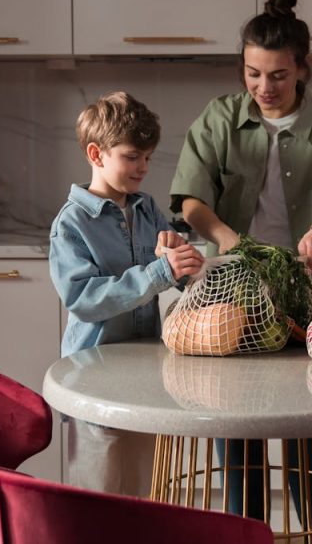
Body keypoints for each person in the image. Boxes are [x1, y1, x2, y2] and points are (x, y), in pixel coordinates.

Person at [169, 0, 312, 524]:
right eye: (252, 73)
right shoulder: (219, 118)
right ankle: (246, 535)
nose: (264, 87)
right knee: (237, 442)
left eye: (278, 76)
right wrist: (229, 240)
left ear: (303, 70)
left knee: (311, 445)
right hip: (230, 300)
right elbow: (191, 199)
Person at [49, 90, 204, 497]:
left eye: (148, 157)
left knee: (143, 491)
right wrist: (158, 272)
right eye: (132, 157)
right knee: (96, 495)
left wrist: (185, 265)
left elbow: (169, 269)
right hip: (92, 375)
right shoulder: (72, 224)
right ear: (97, 155)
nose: (143, 168)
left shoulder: (146, 208)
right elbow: (83, 298)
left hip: (144, 369)